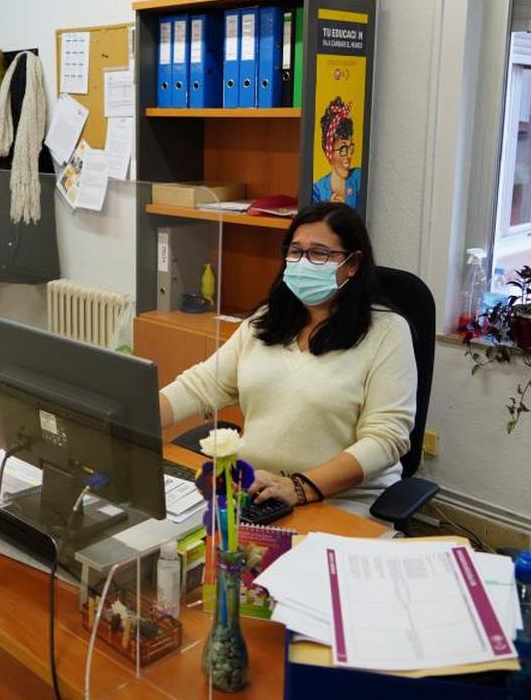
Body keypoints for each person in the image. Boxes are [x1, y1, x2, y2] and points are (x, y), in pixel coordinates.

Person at [158, 202, 416, 516]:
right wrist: (137, 414)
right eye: (295, 251)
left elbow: (386, 439)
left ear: (352, 264)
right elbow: (201, 385)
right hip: (255, 492)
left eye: (319, 253)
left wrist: (299, 487)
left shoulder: (387, 332)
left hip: (339, 502)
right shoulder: (267, 319)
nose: (303, 262)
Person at [310, 96, 362, 208]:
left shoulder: (358, 178)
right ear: (329, 153)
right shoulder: (317, 191)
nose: (348, 155)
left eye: (350, 148)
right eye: (343, 149)